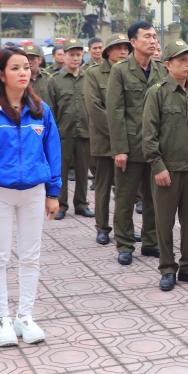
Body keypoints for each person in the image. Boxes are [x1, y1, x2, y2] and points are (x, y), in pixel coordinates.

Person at [0, 47, 61, 347]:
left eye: (26, 67)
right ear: (1, 74)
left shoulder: (41, 110)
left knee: (31, 255)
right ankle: (2, 318)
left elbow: (52, 152)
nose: (24, 72)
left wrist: (53, 192)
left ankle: (25, 316)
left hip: (34, 192)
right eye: (15, 68)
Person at [142, 39, 188, 291]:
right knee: (164, 221)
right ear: (168, 64)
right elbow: (148, 135)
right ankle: (167, 268)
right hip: (167, 170)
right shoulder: (157, 92)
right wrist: (158, 166)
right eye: (182, 60)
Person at [108, 21, 166, 264]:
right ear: (133, 42)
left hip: (155, 147)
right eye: (147, 37)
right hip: (130, 148)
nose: (153, 40)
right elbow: (115, 110)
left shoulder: (161, 69)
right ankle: (125, 244)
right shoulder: (120, 70)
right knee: (125, 197)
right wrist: (120, 148)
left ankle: (151, 242)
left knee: (154, 198)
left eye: (154, 36)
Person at [84, 33, 131, 244]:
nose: (123, 51)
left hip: (128, 141)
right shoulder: (94, 74)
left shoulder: (131, 72)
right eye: (118, 47)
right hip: (104, 140)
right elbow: (95, 108)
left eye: (125, 48)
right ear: (107, 51)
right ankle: (102, 227)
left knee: (125, 188)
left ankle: (124, 229)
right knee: (103, 186)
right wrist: (118, 133)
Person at [46, 40, 94, 220]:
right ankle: (62, 204)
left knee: (83, 171)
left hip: (85, 132)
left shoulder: (89, 78)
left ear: (83, 56)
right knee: (61, 171)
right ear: (63, 56)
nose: (75, 58)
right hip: (62, 134)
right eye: (71, 55)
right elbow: (50, 110)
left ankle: (81, 204)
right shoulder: (55, 81)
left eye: (78, 54)